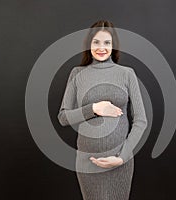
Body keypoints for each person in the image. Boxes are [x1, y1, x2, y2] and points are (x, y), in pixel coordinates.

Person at [57, 20, 147, 200]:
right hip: (87, 162)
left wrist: (122, 157)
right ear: (89, 44)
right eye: (96, 42)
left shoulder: (126, 73)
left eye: (107, 43)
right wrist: (94, 108)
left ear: (113, 46)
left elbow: (141, 121)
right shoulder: (77, 74)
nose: (101, 47)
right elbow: (63, 117)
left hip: (119, 161)